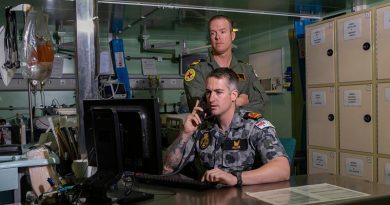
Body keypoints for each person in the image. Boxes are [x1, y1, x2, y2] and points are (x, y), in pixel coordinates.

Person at [164, 68, 290, 186]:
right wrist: (185, 134)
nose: (211, 99)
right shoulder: (202, 127)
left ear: (234, 95)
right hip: (210, 198)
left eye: (219, 92)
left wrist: (236, 178)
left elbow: (282, 169)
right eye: (208, 93)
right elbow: (168, 168)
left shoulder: (254, 126)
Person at [184, 15, 267, 114]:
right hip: (210, 129)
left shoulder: (246, 69)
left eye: (222, 32)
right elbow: (200, 109)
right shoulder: (198, 70)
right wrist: (238, 102)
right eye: (212, 33)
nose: (217, 37)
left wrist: (222, 107)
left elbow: (260, 103)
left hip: (244, 129)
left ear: (232, 36)